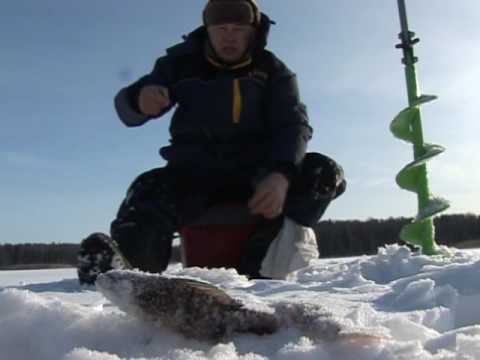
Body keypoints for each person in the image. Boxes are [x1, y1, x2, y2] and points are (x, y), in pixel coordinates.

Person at [77, 0, 346, 284]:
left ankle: (260, 269)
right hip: (193, 174)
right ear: (208, 30)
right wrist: (139, 100)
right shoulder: (180, 63)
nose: (229, 36)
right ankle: (131, 277)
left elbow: (293, 126)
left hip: (258, 175)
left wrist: (281, 175)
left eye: (238, 29)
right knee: (147, 190)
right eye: (221, 29)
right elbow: (127, 108)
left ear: (252, 32)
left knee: (323, 172)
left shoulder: (274, 71)